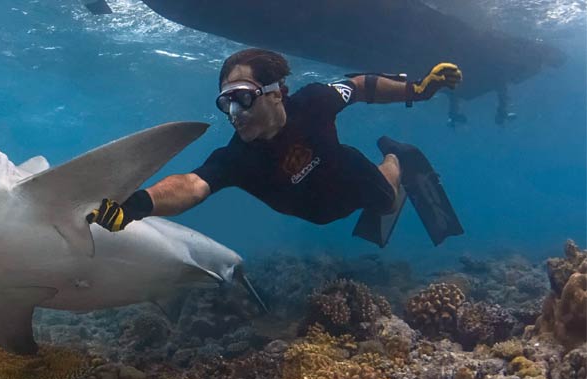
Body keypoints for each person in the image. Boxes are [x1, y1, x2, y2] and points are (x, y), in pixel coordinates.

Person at [87, 48, 463, 245]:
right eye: (225, 103)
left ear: (277, 93)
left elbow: (361, 85)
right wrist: (136, 206)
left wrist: (418, 90)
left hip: (352, 175)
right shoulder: (235, 159)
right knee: (354, 211)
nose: (233, 113)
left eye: (242, 98)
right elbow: (192, 184)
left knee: (385, 200)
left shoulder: (315, 100)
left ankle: (396, 156)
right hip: (319, 212)